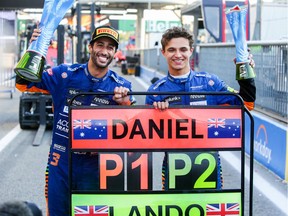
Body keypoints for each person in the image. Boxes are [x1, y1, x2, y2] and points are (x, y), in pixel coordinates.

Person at [16, 25, 136, 216]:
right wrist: (32, 50)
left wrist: (124, 104)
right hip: (61, 161)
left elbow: (133, 132)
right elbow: (23, 83)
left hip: (97, 165)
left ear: (115, 52)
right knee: (57, 212)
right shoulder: (65, 74)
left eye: (110, 47)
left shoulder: (121, 86)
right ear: (90, 47)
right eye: (100, 45)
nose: (104, 51)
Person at [145, 26, 256, 189]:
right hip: (173, 166)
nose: (177, 55)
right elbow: (147, 137)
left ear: (191, 50)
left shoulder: (210, 82)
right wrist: (157, 115)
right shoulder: (156, 91)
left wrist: (246, 73)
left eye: (183, 49)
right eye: (171, 50)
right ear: (163, 52)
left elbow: (247, 103)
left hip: (209, 164)